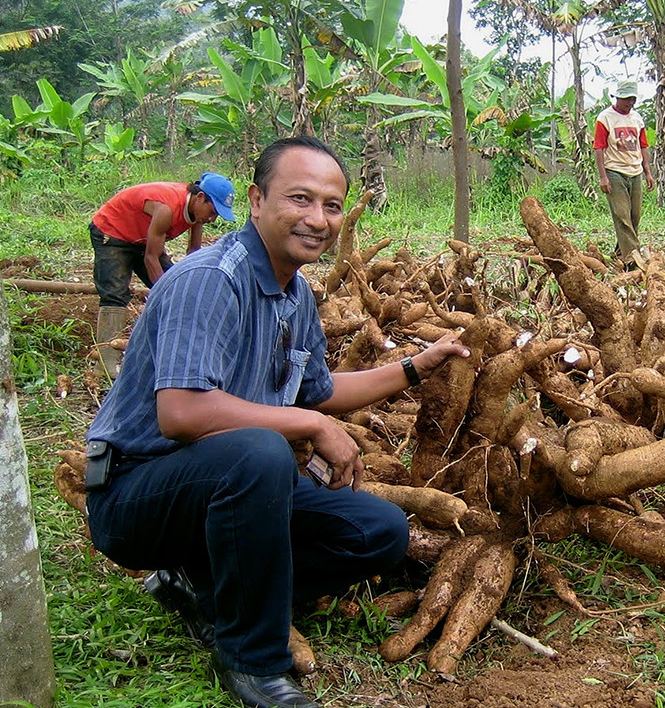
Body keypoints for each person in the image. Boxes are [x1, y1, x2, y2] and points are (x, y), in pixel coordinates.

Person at [83, 135, 470, 708]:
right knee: (262, 450)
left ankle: (205, 587)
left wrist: (415, 367)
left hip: (231, 487)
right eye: (300, 199)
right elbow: (182, 413)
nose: (318, 218)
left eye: (332, 206)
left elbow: (322, 390)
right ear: (257, 201)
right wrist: (309, 427)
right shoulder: (210, 280)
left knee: (379, 531)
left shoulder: (296, 297)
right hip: (139, 494)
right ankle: (254, 660)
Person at [89, 172, 236, 376]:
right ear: (200, 197)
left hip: (142, 239)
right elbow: (151, 257)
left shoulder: (197, 213)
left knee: (177, 287)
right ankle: (105, 365)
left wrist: (189, 287)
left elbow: (194, 253)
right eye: (212, 211)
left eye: (217, 215)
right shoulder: (166, 209)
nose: (212, 218)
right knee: (115, 293)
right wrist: (163, 293)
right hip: (112, 231)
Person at [593, 80, 654, 270]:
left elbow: (643, 145)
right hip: (614, 171)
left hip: (635, 171)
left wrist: (648, 172)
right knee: (622, 216)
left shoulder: (637, 118)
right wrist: (603, 177)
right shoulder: (605, 118)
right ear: (618, 98)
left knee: (634, 216)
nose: (630, 103)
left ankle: (620, 254)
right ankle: (634, 259)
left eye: (633, 99)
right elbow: (599, 148)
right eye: (627, 99)